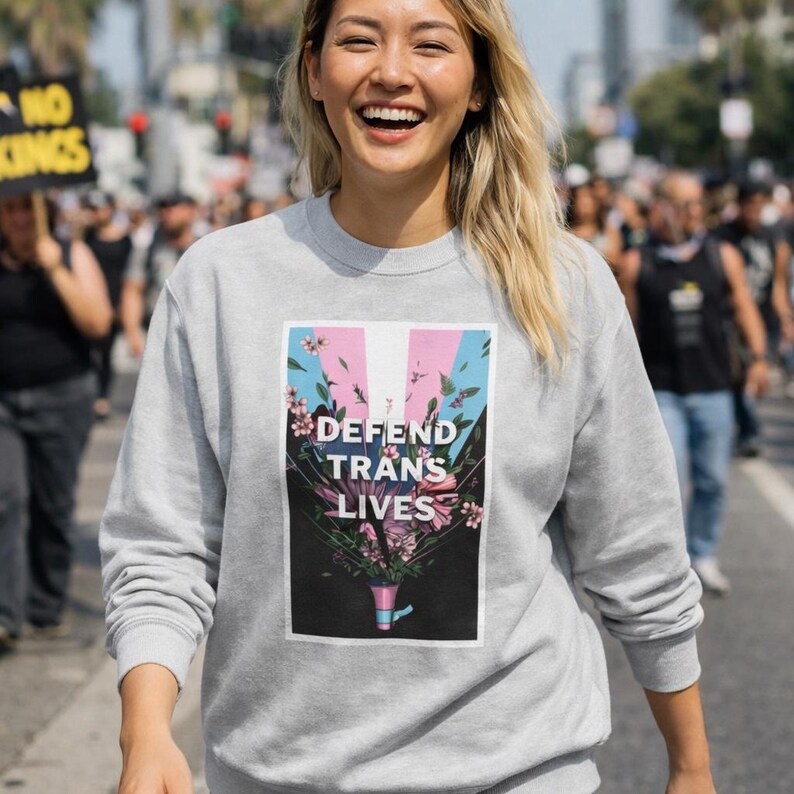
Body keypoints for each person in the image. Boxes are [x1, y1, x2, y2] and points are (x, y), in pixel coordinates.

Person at [101, 2, 715, 793]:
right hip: (272, 774)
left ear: (481, 82)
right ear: (315, 68)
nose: (392, 71)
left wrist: (692, 767)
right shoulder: (221, 283)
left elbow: (637, 550)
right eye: (359, 39)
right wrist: (144, 730)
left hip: (521, 773)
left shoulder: (564, 287)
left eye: (430, 44)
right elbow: (161, 543)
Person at [615, 171, 768, 596]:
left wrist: (758, 358)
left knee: (713, 480)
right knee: (669, 481)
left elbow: (744, 309)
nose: (692, 212)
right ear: (659, 206)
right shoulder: (637, 262)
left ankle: (703, 553)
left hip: (714, 388)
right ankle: (674, 563)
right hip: (662, 391)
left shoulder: (722, 256)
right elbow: (626, 330)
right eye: (683, 204)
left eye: (697, 204)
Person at [0, 192, 112, 650]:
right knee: (5, 495)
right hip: (4, 399)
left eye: (28, 207)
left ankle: (45, 607)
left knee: (53, 504)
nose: (21, 217)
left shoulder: (70, 253)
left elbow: (97, 323)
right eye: (10, 208)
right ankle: (6, 614)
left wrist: (54, 268)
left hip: (62, 396)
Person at [717, 181, 794, 456]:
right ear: (739, 205)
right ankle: (748, 431)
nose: (753, 212)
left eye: (759, 206)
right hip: (731, 319)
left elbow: (779, 285)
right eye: (749, 205)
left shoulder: (774, 238)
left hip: (764, 317)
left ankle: (747, 428)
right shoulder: (723, 237)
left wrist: (786, 318)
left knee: (754, 372)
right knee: (737, 375)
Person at [119, 191, 201, 358]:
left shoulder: (205, 247)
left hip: (199, 334)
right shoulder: (147, 248)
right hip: (159, 334)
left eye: (174, 207)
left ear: (192, 211)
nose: (167, 213)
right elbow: (132, 290)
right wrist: (133, 334)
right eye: (163, 208)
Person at [82, 191, 133, 420]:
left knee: (106, 354)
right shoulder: (86, 237)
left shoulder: (125, 239)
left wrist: (124, 306)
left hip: (114, 303)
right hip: (89, 301)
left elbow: (130, 277)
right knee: (87, 352)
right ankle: (90, 395)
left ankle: (102, 396)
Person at [564, 180, 622, 267]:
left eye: (588, 198)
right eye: (579, 198)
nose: (584, 204)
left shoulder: (609, 232)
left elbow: (615, 260)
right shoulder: (566, 232)